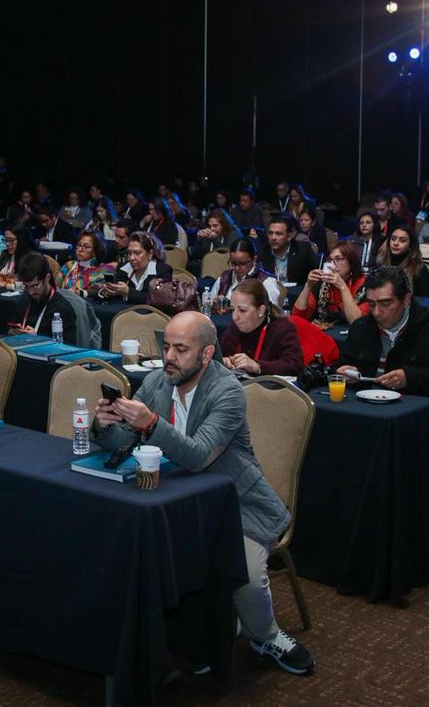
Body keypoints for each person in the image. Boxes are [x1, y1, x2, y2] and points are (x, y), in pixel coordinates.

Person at [93, 311, 314, 675]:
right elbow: (124, 442)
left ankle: (267, 635)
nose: (169, 357)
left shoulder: (228, 391)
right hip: (174, 496)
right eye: (166, 346)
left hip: (236, 501)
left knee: (245, 573)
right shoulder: (156, 383)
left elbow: (197, 455)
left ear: (207, 354)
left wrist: (149, 422)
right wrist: (106, 425)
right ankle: (198, 633)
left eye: (181, 349)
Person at [336, 266, 429, 411]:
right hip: (364, 411)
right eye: (371, 304)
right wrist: (345, 372)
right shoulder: (361, 327)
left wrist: (410, 378)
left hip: (415, 418)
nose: (376, 312)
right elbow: (338, 366)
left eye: (386, 304)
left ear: (406, 300)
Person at [219, 279, 303, 376]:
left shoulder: (282, 328)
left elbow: (295, 366)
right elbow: (222, 357)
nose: (235, 317)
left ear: (261, 311)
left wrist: (258, 366)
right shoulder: (233, 329)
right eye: (232, 309)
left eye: (242, 310)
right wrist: (224, 362)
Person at [292, 241, 370, 326]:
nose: (332, 264)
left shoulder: (365, 286)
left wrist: (342, 287)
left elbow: (357, 322)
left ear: (351, 263)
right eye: (330, 260)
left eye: (338, 259)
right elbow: (297, 317)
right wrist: (308, 286)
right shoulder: (322, 283)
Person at [7, 253, 77, 343]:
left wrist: (38, 339)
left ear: (47, 278)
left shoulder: (62, 308)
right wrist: (12, 332)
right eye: (27, 286)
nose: (31, 292)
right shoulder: (23, 301)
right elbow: (12, 326)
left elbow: (69, 346)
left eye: (35, 286)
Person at [102, 231, 173, 303]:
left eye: (137, 253)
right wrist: (108, 292)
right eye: (129, 253)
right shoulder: (123, 269)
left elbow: (161, 300)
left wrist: (129, 292)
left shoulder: (163, 271)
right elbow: (117, 300)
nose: (131, 258)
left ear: (150, 254)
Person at [209, 238, 283, 306]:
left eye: (242, 263)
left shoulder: (266, 283)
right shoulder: (224, 278)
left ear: (254, 259)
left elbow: (271, 314)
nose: (237, 268)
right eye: (233, 263)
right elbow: (210, 305)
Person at [255, 214, 319, 287]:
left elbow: (318, 272)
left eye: (278, 234)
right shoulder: (262, 251)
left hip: (297, 293)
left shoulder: (303, 250)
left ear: (289, 236)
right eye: (270, 233)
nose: (273, 237)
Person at [375, 226, 429, 297]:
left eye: (402, 241)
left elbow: (425, 300)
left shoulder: (418, 268)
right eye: (393, 239)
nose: (395, 243)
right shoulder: (380, 263)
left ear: (410, 245)